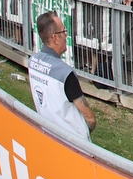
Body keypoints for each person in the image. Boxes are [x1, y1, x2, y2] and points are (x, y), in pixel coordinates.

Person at [28, 11, 96, 141]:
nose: (66, 35)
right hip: (75, 144)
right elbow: (90, 118)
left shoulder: (33, 62)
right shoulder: (65, 73)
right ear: (55, 38)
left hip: (50, 137)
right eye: (63, 31)